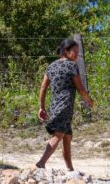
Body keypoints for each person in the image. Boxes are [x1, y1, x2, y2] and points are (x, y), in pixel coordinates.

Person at [36, 39, 94, 171]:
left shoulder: (51, 66)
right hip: (66, 106)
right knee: (59, 135)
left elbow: (43, 87)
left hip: (55, 106)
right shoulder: (72, 66)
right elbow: (80, 89)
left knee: (67, 137)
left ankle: (70, 169)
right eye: (75, 51)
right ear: (66, 51)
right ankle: (41, 162)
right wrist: (88, 100)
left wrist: (42, 107)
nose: (77, 55)